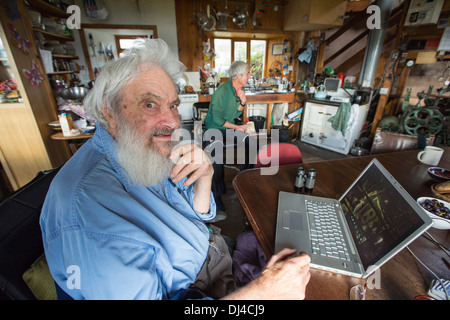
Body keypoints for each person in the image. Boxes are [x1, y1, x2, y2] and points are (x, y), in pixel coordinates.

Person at [40, 39, 310, 300]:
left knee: (294, 249)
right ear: (108, 111)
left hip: (211, 251)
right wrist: (264, 291)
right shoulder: (86, 213)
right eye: (149, 104)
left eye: (172, 105)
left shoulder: (141, 149)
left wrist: (205, 178)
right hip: (197, 287)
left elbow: (195, 215)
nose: (171, 121)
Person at [203, 61, 254, 214]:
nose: (250, 76)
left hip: (228, 128)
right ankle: (217, 196)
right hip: (214, 129)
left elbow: (235, 113)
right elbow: (218, 119)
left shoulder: (240, 89)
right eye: (247, 73)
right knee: (216, 154)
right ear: (238, 75)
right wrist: (239, 127)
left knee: (252, 144)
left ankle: (242, 179)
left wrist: (243, 102)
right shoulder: (222, 91)